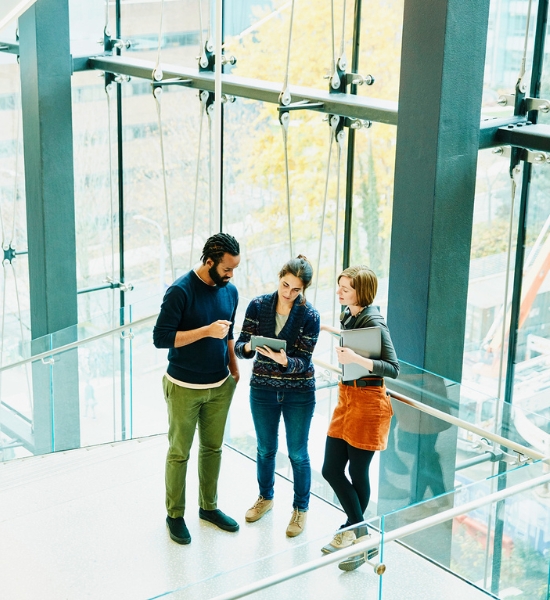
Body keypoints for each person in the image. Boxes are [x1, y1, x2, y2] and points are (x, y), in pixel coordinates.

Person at [153, 233, 241, 545]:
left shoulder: (230, 292)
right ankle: (174, 515)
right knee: (179, 453)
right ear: (208, 262)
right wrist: (205, 331)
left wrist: (233, 366)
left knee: (213, 448)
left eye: (234, 269)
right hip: (183, 387)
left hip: (220, 385)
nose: (231, 275)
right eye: (227, 269)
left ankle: (209, 507)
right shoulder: (180, 290)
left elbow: (229, 334)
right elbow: (161, 338)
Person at [320, 265, 399, 571]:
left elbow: (392, 368)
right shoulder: (350, 315)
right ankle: (358, 530)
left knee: (358, 471)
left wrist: (354, 358)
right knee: (330, 469)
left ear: (361, 292)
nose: (339, 292)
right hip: (348, 398)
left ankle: (354, 533)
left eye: (346, 288)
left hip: (368, 402)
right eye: (339, 286)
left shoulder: (374, 320)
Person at [235, 256, 320, 537]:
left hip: (299, 393)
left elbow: (305, 361)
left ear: (303, 290)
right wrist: (249, 348)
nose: (288, 293)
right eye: (285, 285)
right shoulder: (258, 306)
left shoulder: (310, 316)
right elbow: (239, 346)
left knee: (297, 452)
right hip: (262, 389)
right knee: (265, 448)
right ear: (280, 277)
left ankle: (300, 509)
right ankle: (265, 498)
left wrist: (286, 362)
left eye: (296, 290)